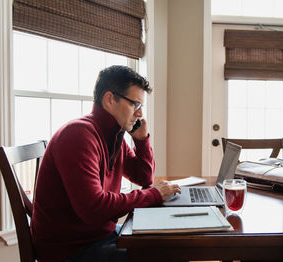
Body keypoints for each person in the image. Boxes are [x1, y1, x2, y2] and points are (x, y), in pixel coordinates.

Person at [31, 65, 181, 262]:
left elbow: (144, 177)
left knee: (174, 245)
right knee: (172, 254)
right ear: (110, 99)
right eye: (135, 104)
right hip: (70, 250)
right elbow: (93, 209)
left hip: (98, 237)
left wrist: (141, 140)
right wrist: (154, 194)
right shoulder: (79, 135)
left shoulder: (113, 135)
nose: (140, 114)